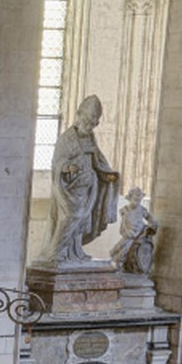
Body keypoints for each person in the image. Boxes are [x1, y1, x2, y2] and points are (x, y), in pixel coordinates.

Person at [46, 96, 121, 267]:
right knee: (71, 217)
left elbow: (97, 161)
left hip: (88, 188)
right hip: (70, 189)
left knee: (82, 221)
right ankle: (54, 252)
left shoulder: (90, 138)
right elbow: (58, 162)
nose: (89, 125)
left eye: (93, 123)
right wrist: (67, 168)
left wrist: (106, 175)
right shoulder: (66, 139)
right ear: (79, 116)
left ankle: (75, 252)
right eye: (87, 121)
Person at [112, 187, 158, 275]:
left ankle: (128, 265)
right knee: (122, 248)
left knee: (128, 248)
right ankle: (120, 265)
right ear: (130, 198)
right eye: (135, 199)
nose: (137, 202)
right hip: (129, 233)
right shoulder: (125, 210)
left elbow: (150, 218)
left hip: (139, 233)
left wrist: (153, 223)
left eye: (139, 200)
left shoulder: (141, 210)